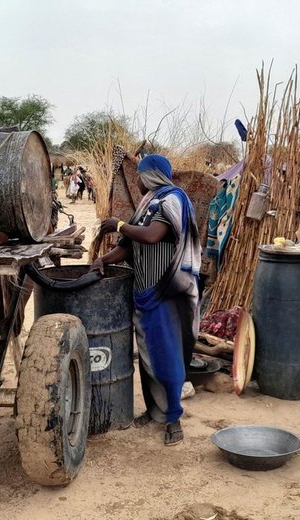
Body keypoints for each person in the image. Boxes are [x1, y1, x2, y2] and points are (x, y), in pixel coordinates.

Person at [91, 154, 201, 446]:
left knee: (167, 357)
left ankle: (173, 418)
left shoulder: (172, 200)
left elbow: (152, 236)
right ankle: (156, 412)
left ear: (150, 175)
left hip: (167, 292)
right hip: (144, 290)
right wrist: (104, 259)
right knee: (149, 357)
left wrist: (118, 225)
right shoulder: (149, 202)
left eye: (139, 175)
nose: (136, 181)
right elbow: (130, 246)